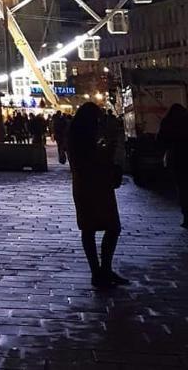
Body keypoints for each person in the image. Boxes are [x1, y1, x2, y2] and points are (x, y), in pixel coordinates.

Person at [67, 103, 126, 289]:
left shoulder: (75, 136)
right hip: (96, 185)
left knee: (89, 229)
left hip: (85, 187)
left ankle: (98, 271)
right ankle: (103, 270)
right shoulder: (84, 140)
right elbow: (99, 158)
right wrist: (112, 141)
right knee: (111, 227)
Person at [157, 103, 188, 230]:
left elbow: (161, 141)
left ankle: (186, 218)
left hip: (178, 161)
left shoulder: (168, 124)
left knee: (182, 189)